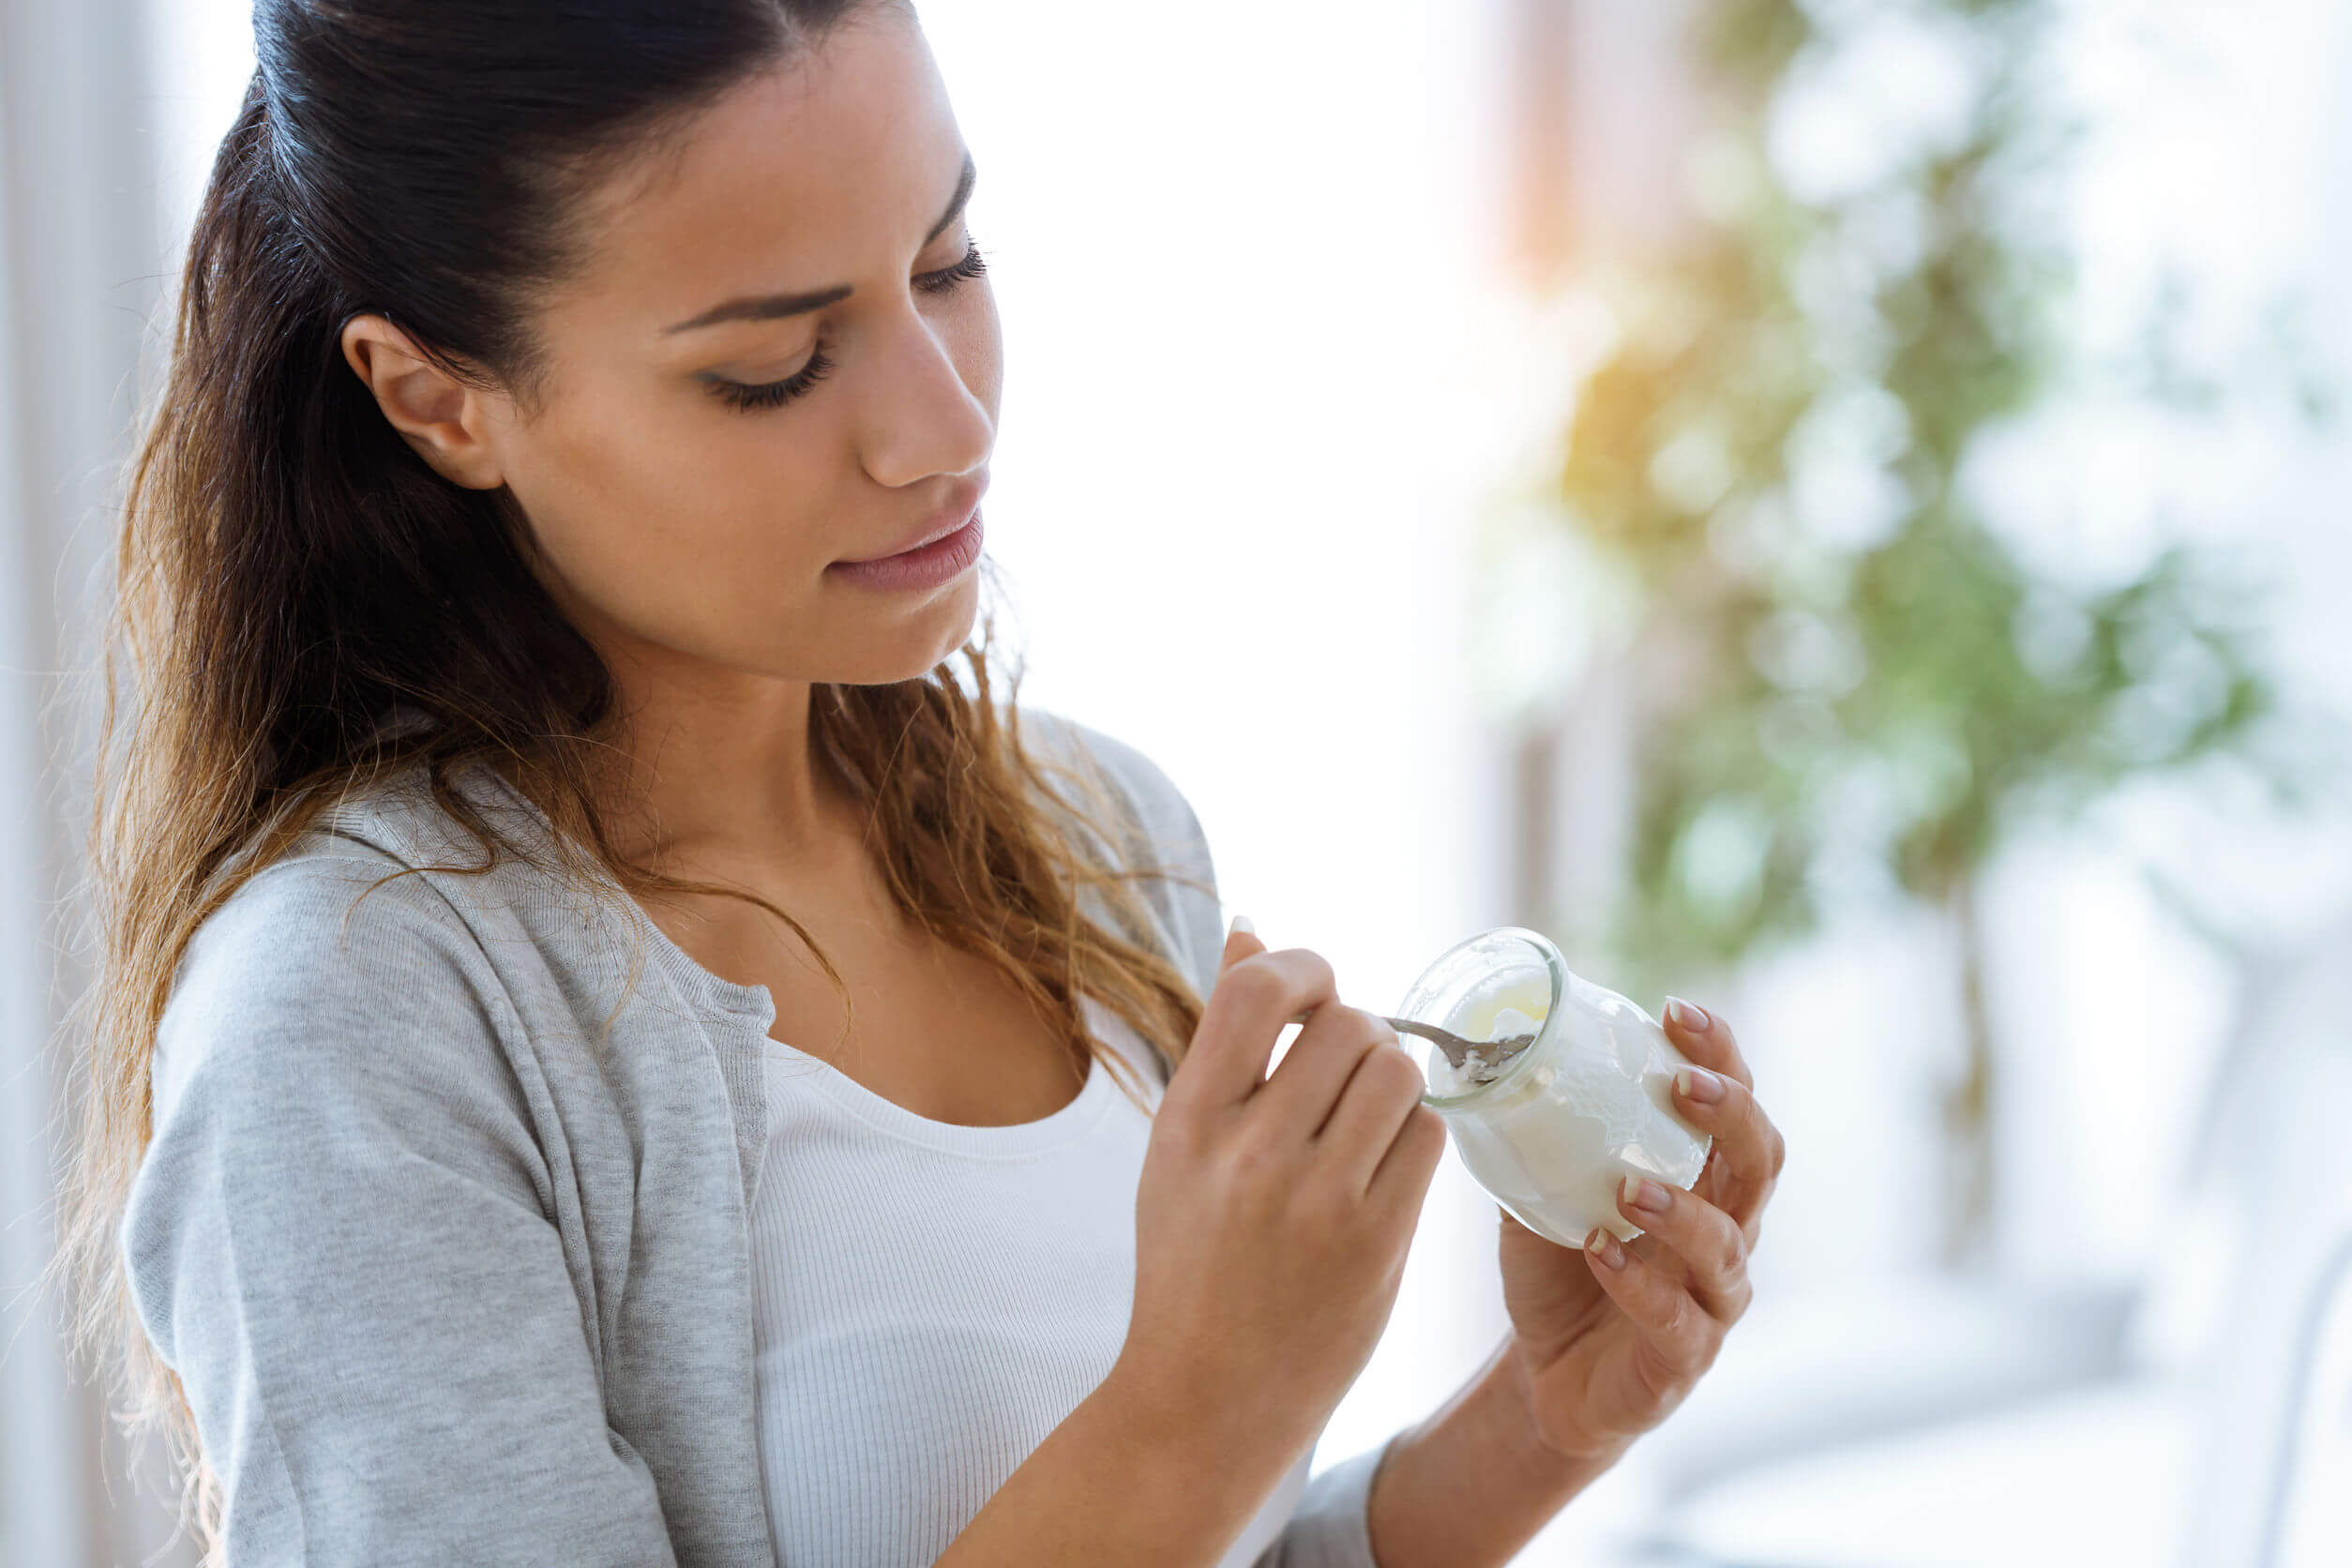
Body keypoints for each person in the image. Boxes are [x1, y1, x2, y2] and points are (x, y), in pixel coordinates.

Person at [64, 3, 1786, 1564]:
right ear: (438, 399)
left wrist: (1534, 1430)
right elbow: (1173, 1477)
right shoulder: (355, 1023)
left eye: (949, 262)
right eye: (773, 366)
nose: (946, 425)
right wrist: (1200, 1409)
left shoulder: (1102, 837)